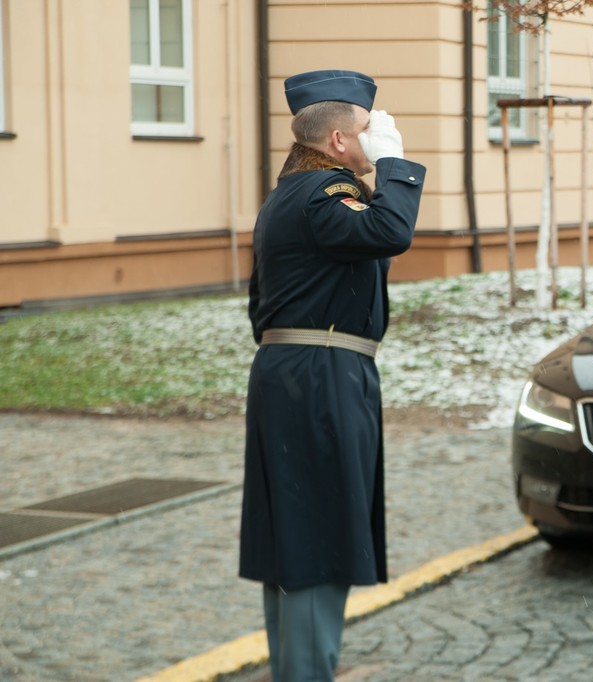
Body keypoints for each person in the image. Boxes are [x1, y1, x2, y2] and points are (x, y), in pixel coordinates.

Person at [239, 69, 426, 680]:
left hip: (297, 370)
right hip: (320, 374)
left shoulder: (287, 196)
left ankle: (300, 670)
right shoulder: (324, 195)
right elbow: (389, 232)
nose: (380, 140)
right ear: (342, 141)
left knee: (298, 539)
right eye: (371, 131)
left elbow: (258, 302)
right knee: (316, 538)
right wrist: (397, 166)